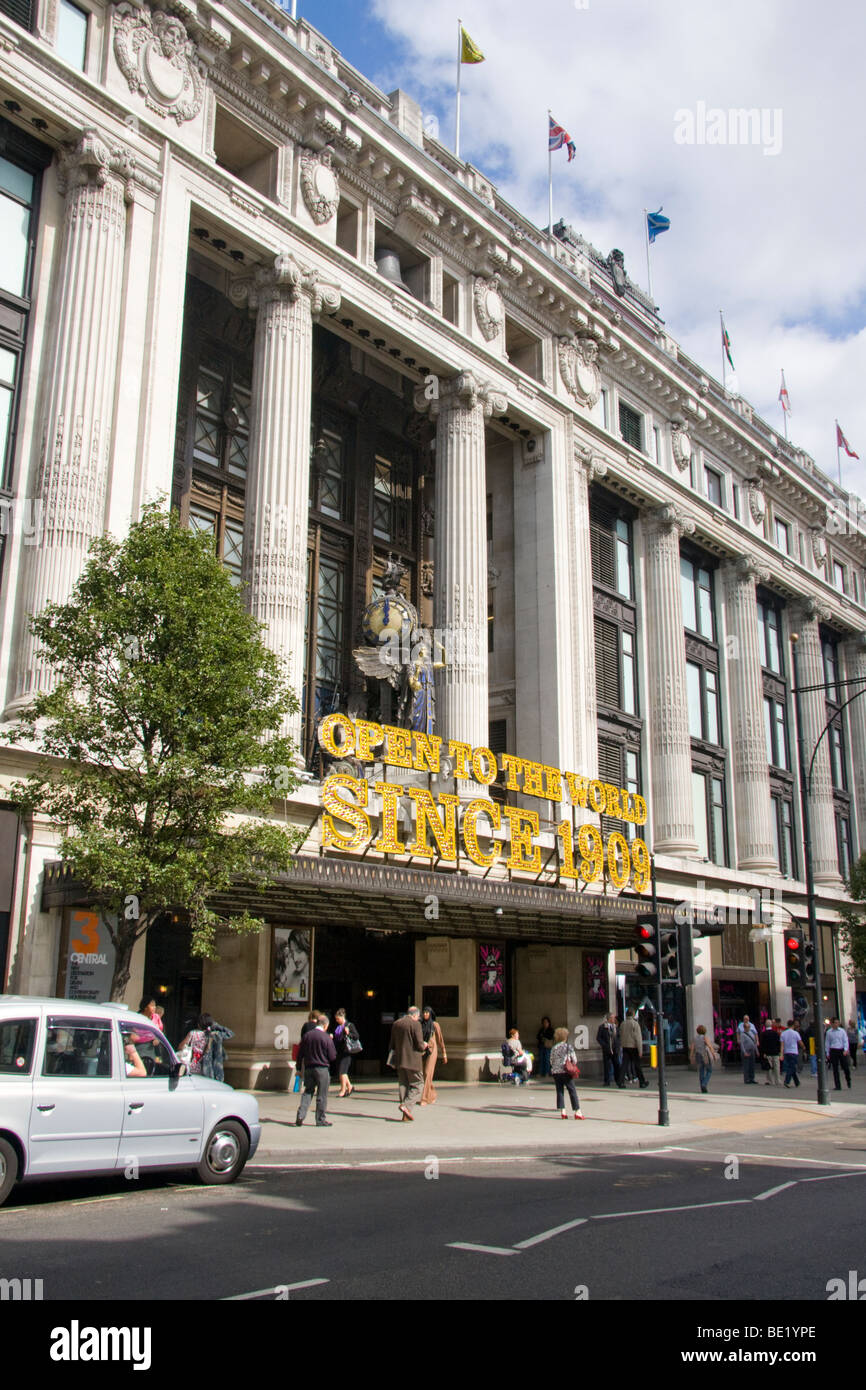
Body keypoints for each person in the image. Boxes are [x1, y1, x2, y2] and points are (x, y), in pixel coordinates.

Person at [295, 1013, 336, 1127]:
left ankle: (300, 1115)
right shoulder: (326, 1037)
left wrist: (299, 1068)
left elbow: (300, 1054)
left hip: (309, 1068)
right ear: (325, 1025)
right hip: (322, 1068)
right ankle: (320, 1119)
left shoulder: (307, 1036)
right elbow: (332, 1056)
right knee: (322, 1094)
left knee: (308, 1091)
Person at [389, 1005, 428, 1120]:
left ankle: (405, 1115)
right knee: (419, 1084)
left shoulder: (396, 1024)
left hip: (400, 1060)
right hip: (413, 1061)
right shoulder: (416, 1024)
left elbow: (392, 1044)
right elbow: (419, 1044)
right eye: (418, 1016)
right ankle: (406, 1106)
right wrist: (425, 1046)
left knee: (403, 1085)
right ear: (415, 1015)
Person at [549, 1026, 584, 1119]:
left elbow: (551, 1060)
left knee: (560, 1091)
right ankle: (577, 1111)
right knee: (572, 1090)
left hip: (556, 1072)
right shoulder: (568, 1047)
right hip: (566, 1072)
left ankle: (563, 1111)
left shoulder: (554, 1048)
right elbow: (574, 1060)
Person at [420, 1006, 447, 1104]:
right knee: (425, 1075)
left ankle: (424, 1098)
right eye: (424, 1012)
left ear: (431, 1014)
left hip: (432, 1050)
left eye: (427, 1013)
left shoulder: (435, 1025)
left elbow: (440, 1040)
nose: (425, 1014)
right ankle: (432, 1094)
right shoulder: (420, 1024)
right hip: (422, 1050)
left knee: (427, 1073)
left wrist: (444, 1053)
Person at [333, 1008, 360, 1097]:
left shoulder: (349, 1025)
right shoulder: (338, 1027)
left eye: (338, 1019)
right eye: (336, 1019)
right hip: (339, 1052)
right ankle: (350, 1086)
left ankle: (343, 1090)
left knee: (342, 1072)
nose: (337, 1020)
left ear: (342, 1017)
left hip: (346, 1052)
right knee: (342, 1071)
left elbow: (356, 1036)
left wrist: (348, 1033)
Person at [620, 1009, 648, 1088]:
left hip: (625, 1046)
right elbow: (638, 1038)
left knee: (624, 1065)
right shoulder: (635, 1024)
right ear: (633, 1014)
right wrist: (640, 1050)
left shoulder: (623, 1023)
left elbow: (620, 1034)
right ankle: (642, 1082)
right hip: (633, 1047)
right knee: (637, 1065)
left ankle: (620, 1081)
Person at [825, 1018, 852, 1091]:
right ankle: (837, 1085)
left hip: (841, 1050)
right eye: (835, 1023)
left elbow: (845, 1040)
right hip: (833, 1050)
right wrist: (827, 1053)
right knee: (835, 1068)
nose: (837, 1024)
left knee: (845, 1067)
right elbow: (827, 1043)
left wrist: (846, 1049)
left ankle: (848, 1080)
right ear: (832, 1024)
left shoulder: (842, 1031)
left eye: (838, 1023)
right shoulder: (829, 1032)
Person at [690, 1025, 717, 1093]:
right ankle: (704, 1084)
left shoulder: (694, 1038)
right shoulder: (704, 1037)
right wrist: (714, 1055)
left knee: (701, 1070)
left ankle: (702, 1087)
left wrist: (691, 1057)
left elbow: (692, 1048)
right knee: (709, 1070)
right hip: (704, 1055)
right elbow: (710, 1046)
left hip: (698, 1055)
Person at [596, 1013, 620, 1087]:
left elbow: (618, 1036)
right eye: (613, 1018)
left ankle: (618, 1080)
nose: (614, 1019)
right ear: (609, 1019)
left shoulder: (616, 1027)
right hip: (607, 1049)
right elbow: (598, 1038)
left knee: (617, 1065)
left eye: (614, 1018)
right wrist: (604, 1045)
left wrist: (618, 1044)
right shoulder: (603, 1027)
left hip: (615, 1049)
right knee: (607, 1066)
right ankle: (607, 1081)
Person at [780, 1019, 804, 1087]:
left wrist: (781, 1054)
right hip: (794, 1052)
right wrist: (803, 1047)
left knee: (791, 1066)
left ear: (787, 1025)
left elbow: (782, 1045)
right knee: (791, 1067)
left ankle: (797, 1082)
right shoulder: (795, 1033)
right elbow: (800, 1042)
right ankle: (787, 1081)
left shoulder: (783, 1033)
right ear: (793, 1025)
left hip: (786, 1052)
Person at [759, 1018, 782, 1087]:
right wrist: (779, 1051)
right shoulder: (775, 1033)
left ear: (765, 1025)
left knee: (768, 1067)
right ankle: (777, 1080)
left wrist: (763, 1053)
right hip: (775, 1052)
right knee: (776, 1067)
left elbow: (762, 1044)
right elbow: (778, 1043)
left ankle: (769, 1080)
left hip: (767, 1053)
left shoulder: (763, 1034)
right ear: (771, 1025)